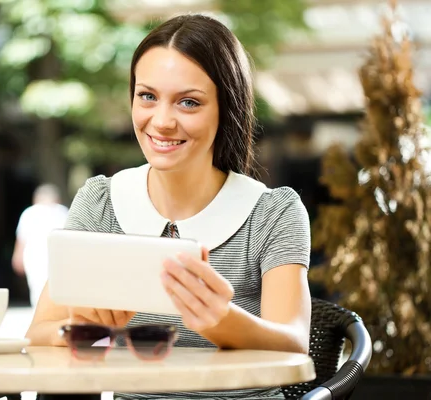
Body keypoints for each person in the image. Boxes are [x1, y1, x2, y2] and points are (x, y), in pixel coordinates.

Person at [27, 13, 311, 400]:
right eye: (147, 96)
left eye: (188, 103)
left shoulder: (273, 212)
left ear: (225, 109)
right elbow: (39, 333)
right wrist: (83, 328)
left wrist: (219, 319)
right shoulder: (100, 202)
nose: (161, 121)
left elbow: (294, 343)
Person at [12, 184, 69, 308]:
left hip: (34, 258)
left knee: (37, 292)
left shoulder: (29, 213)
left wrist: (17, 257)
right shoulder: (63, 212)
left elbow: (22, 240)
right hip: (58, 259)